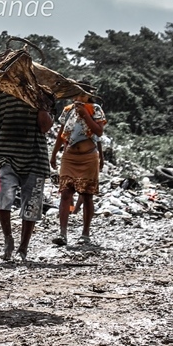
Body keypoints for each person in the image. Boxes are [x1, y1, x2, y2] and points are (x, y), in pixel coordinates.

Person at [0, 92, 53, 262]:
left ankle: (23, 248)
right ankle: (8, 238)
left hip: (36, 157)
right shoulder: (0, 93)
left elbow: (45, 127)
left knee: (31, 206)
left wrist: (41, 104)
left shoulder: (43, 93)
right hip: (7, 154)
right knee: (4, 197)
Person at [50, 93, 107, 246]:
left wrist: (85, 115)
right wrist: (54, 154)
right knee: (66, 193)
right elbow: (62, 135)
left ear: (88, 96)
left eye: (81, 95)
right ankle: (62, 233)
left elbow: (99, 132)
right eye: (75, 94)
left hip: (88, 157)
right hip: (69, 156)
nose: (78, 98)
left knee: (87, 195)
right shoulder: (68, 110)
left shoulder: (95, 109)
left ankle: (85, 234)